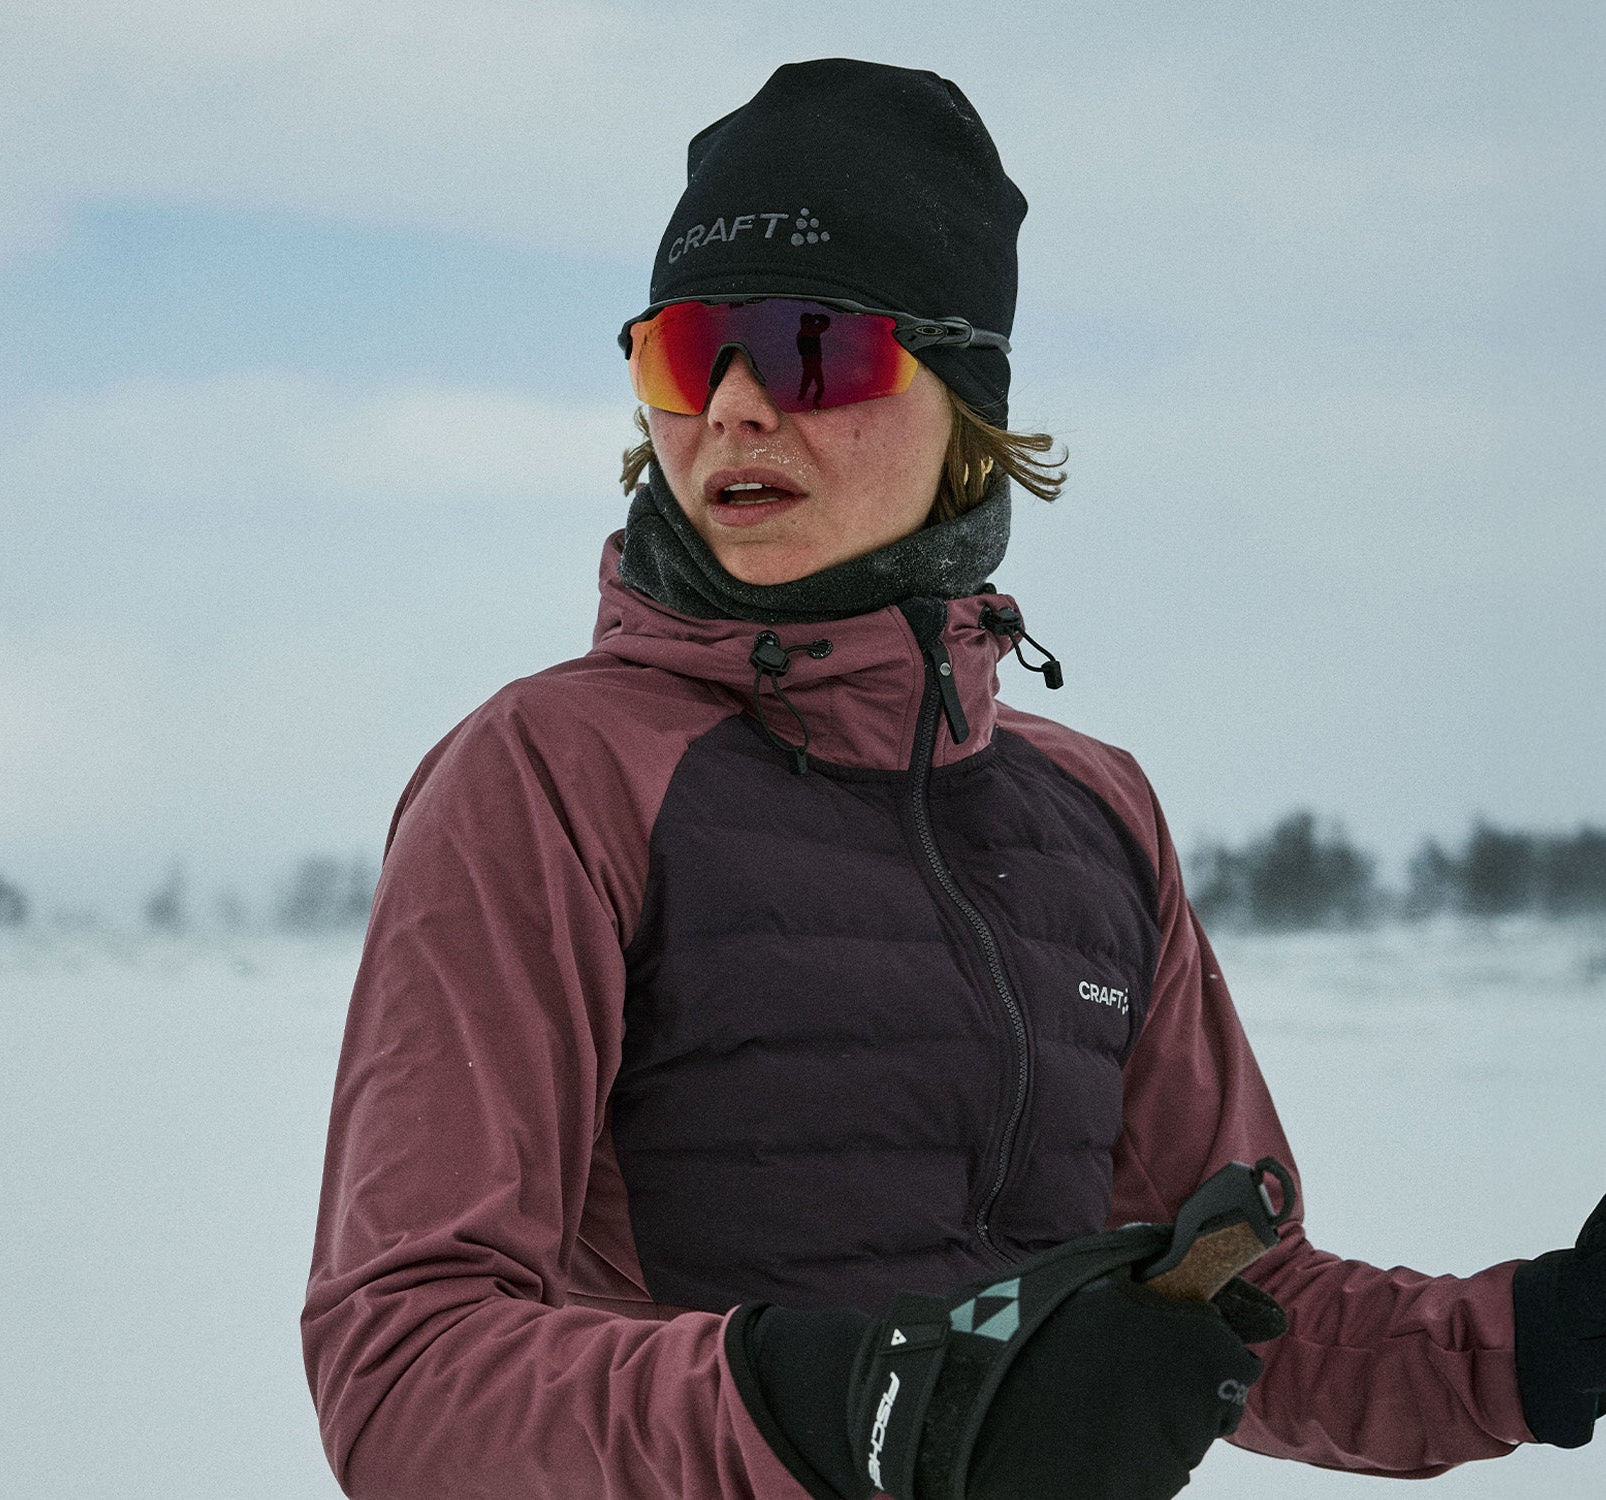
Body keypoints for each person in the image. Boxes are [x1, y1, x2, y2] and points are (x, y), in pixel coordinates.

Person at [302, 60, 1605, 1499]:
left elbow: (1227, 1308)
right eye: (686, 356)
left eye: (809, 350)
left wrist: (1539, 1342)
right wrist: (852, 1405)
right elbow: (406, 1379)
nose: (732, 411)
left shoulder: (1096, 813)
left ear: (966, 400)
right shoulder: (550, 778)